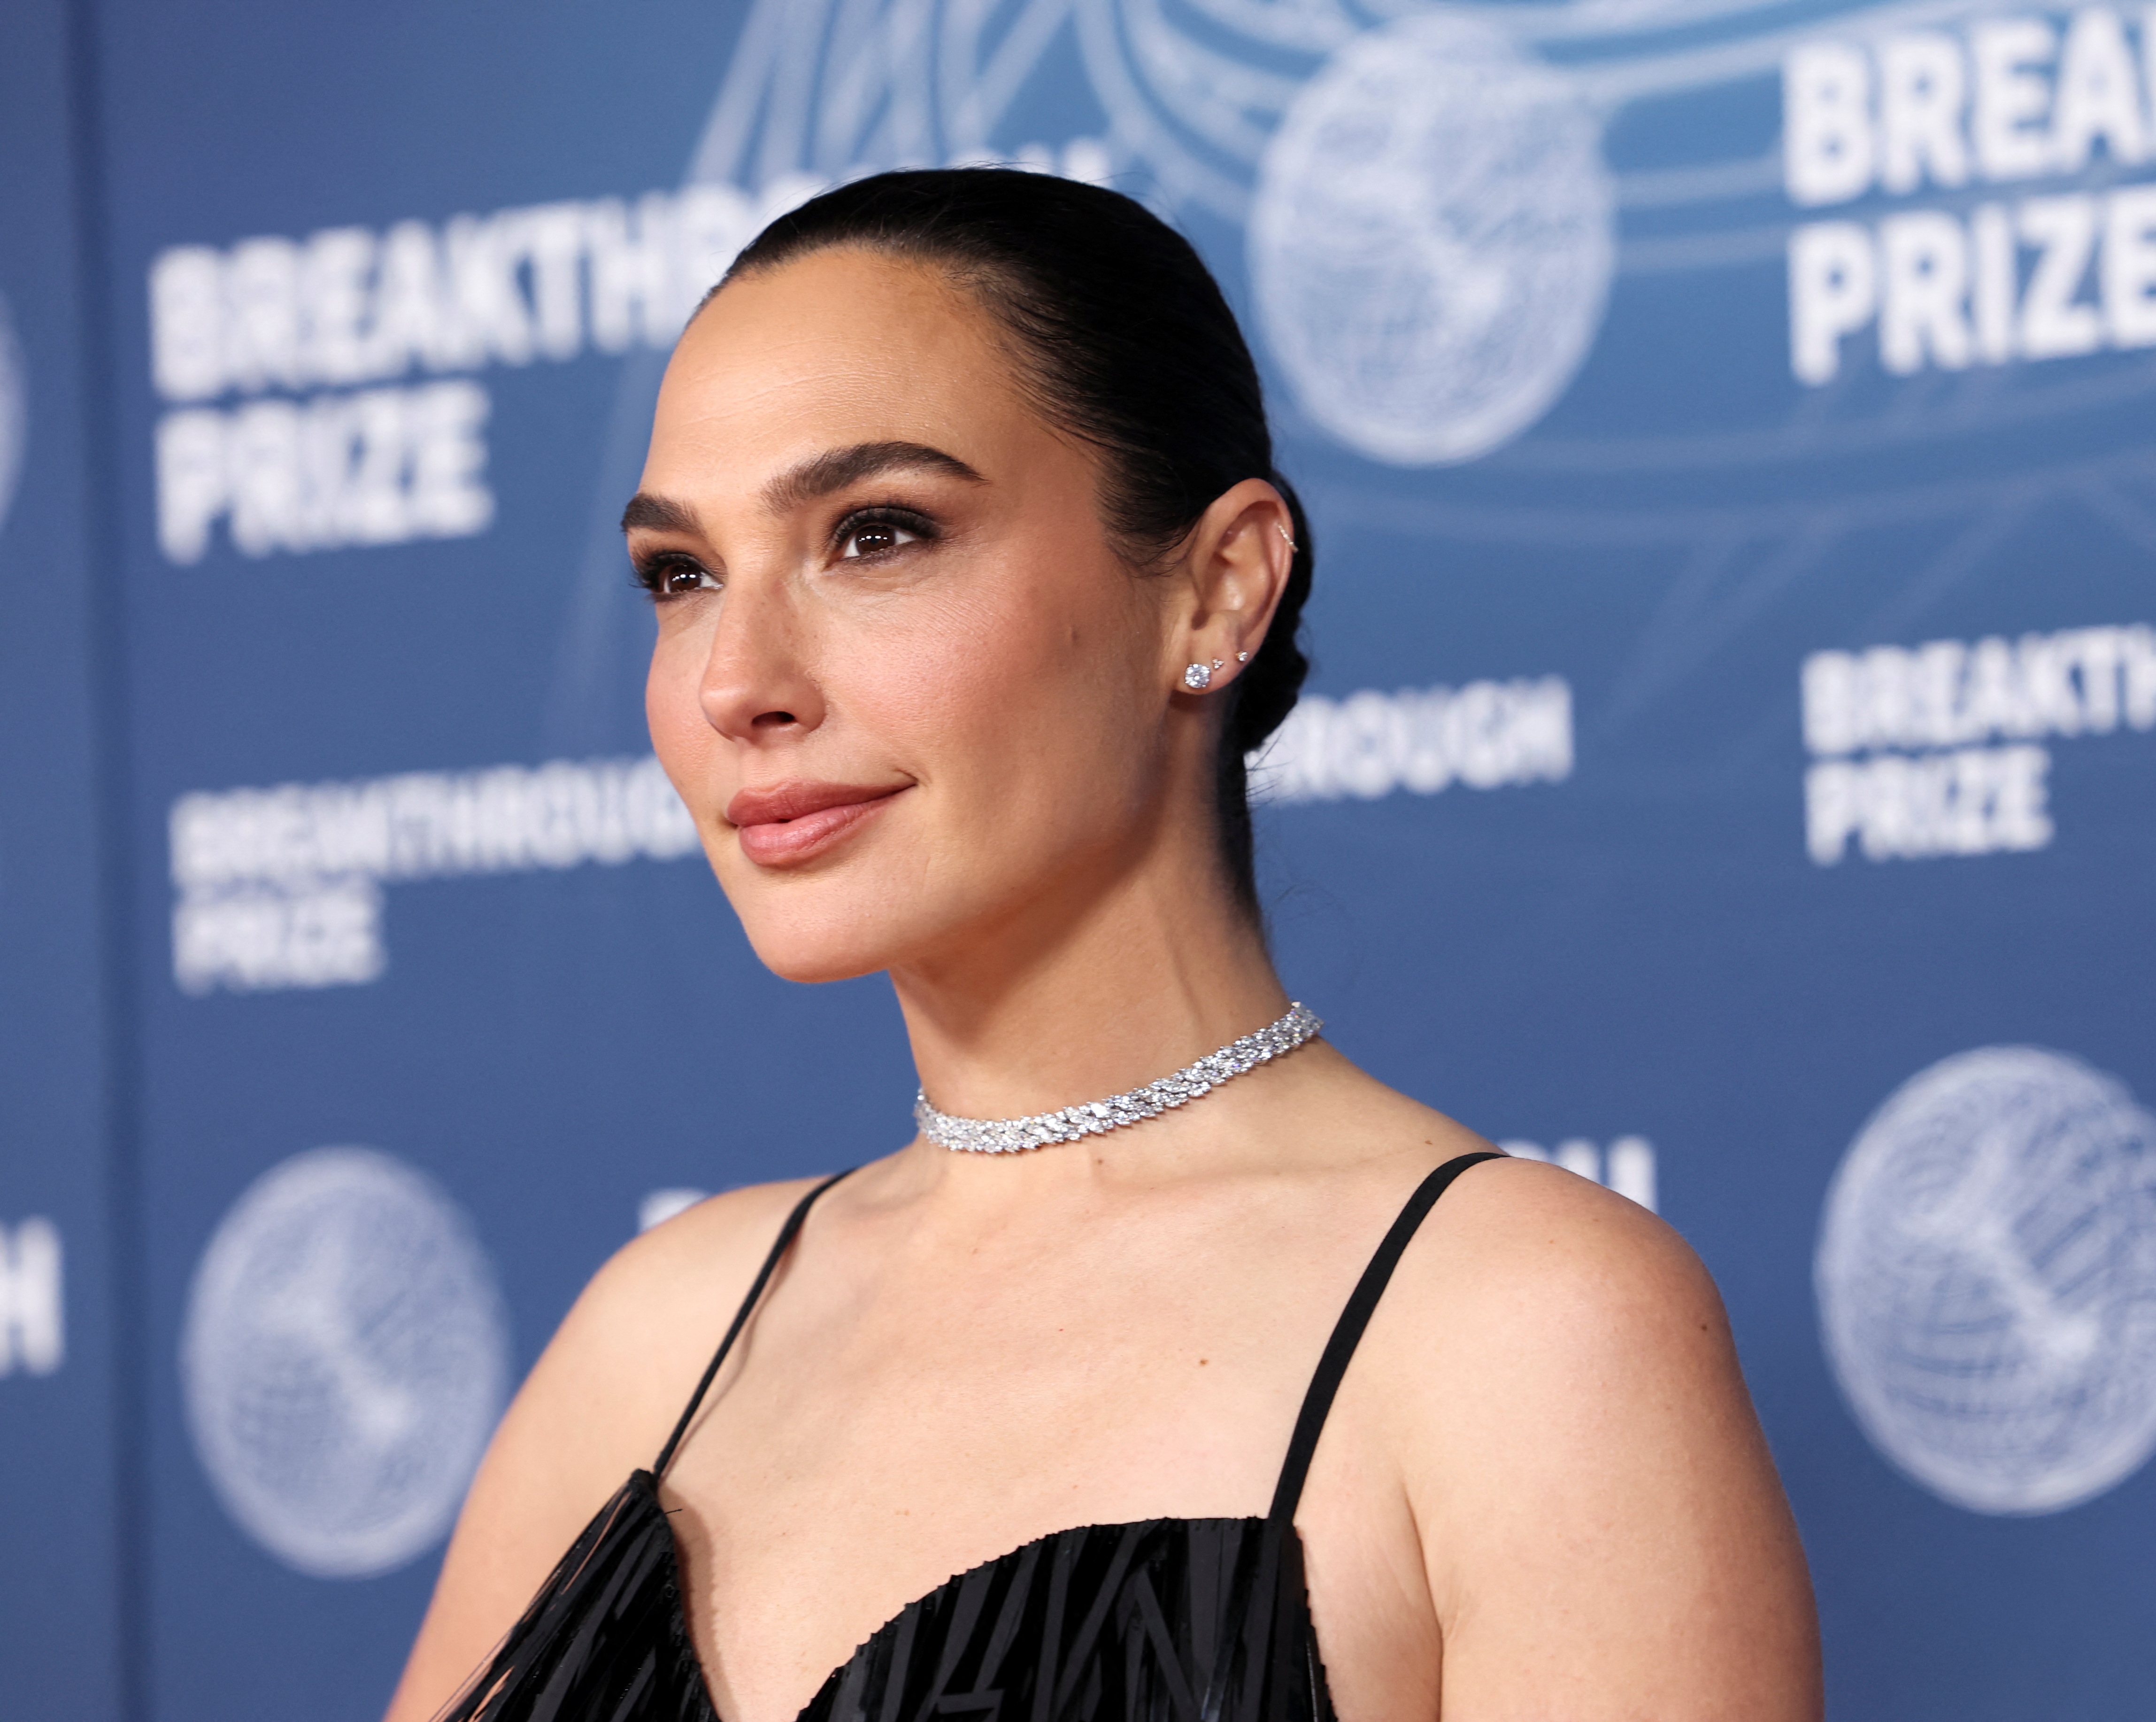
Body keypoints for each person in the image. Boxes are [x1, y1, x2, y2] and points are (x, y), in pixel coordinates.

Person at [386, 168, 1819, 1722]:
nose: (737, 679)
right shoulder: (655, 1335)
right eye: (682, 574)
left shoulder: (1520, 1335)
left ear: (1216, 586)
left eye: (876, 534)